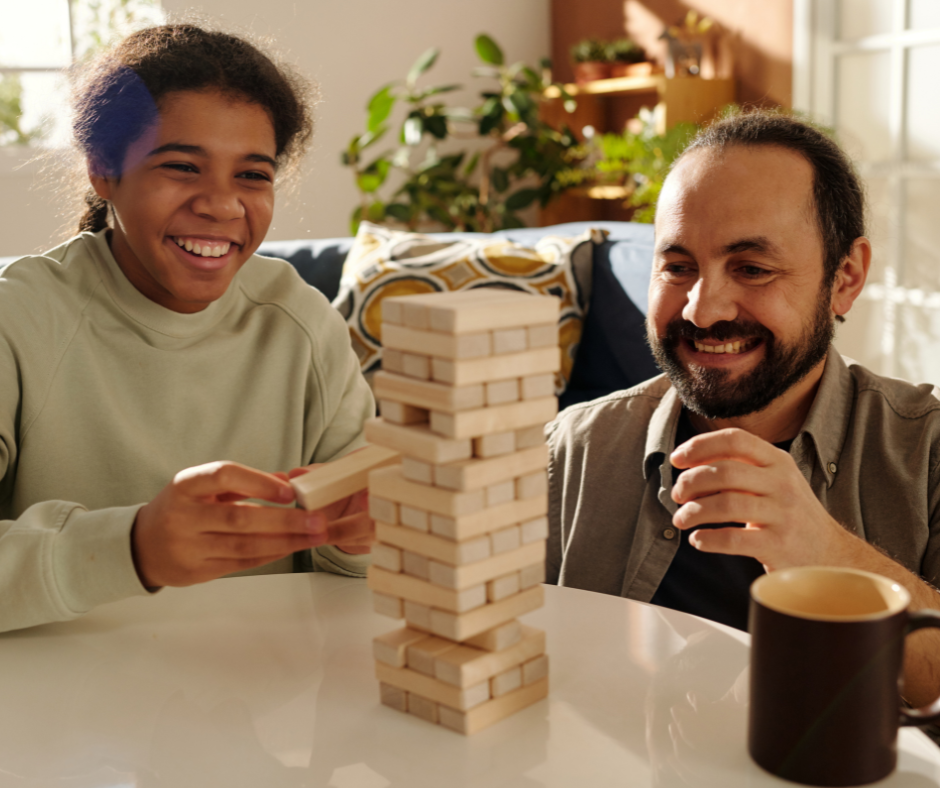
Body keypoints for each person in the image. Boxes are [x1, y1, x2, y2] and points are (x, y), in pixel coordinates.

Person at [546, 109, 940, 708]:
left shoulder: (927, 451)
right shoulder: (572, 448)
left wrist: (826, 553)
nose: (703, 311)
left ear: (845, 278)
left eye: (752, 269)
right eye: (678, 267)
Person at [0, 25, 376, 633]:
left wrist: (361, 535)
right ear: (103, 170)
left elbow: (354, 569)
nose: (222, 205)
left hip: (257, 696)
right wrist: (131, 548)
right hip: (58, 707)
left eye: (252, 175)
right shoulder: (17, 320)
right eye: (182, 166)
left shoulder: (300, 323)